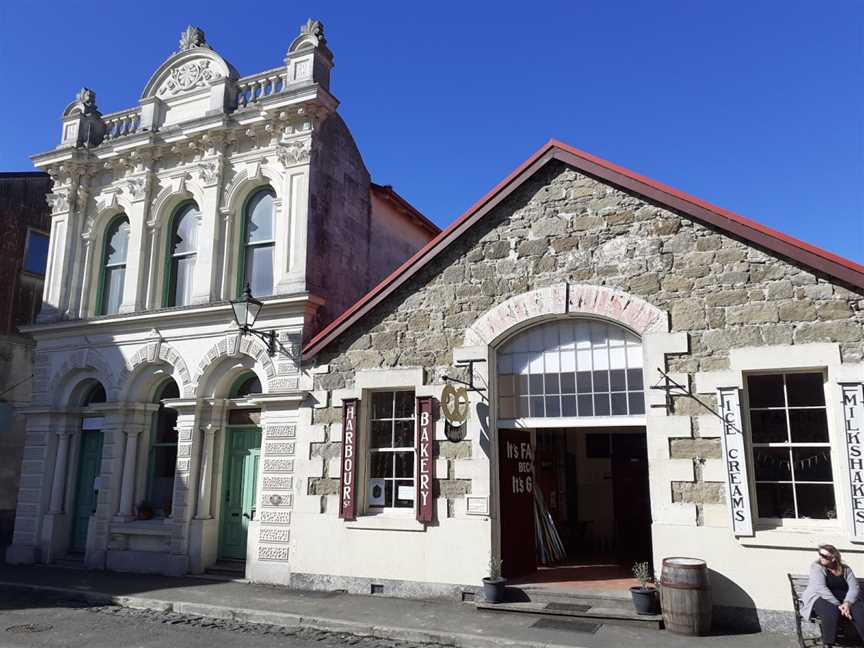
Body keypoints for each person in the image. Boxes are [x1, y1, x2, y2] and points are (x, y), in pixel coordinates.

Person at [801, 544, 864, 647]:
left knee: (859, 610)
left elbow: (854, 587)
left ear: (833, 558)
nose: (820, 557)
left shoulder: (845, 569)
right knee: (831, 611)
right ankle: (828, 643)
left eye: (824, 556)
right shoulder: (816, 567)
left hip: (844, 598)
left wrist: (847, 603)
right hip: (821, 597)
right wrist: (839, 605)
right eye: (820, 554)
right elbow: (820, 588)